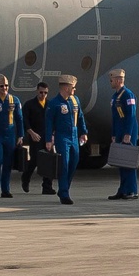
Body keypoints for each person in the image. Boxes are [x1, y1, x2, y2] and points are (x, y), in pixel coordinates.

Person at [44, 74, 88, 205]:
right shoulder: (54, 103)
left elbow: (80, 117)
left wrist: (83, 132)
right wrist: (48, 140)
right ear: (66, 87)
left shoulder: (75, 101)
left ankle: (64, 188)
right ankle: (64, 193)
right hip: (62, 136)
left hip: (74, 135)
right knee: (64, 164)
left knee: (74, 162)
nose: (74, 89)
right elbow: (49, 123)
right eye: (72, 87)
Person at [108, 69, 139, 200]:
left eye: (112, 80)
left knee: (129, 161)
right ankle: (123, 189)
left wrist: (128, 134)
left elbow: (131, 116)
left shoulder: (128, 95)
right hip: (120, 130)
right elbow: (115, 117)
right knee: (121, 161)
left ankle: (132, 190)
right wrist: (114, 134)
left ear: (119, 80)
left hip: (128, 130)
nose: (111, 82)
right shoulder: (115, 97)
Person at [21, 82, 55, 195]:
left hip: (47, 137)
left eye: (45, 93)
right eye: (41, 92)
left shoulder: (50, 105)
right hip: (35, 137)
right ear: (37, 91)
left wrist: (53, 136)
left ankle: (47, 187)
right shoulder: (29, 105)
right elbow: (24, 120)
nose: (43, 95)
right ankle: (25, 178)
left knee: (49, 162)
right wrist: (31, 132)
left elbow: (54, 121)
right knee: (35, 160)